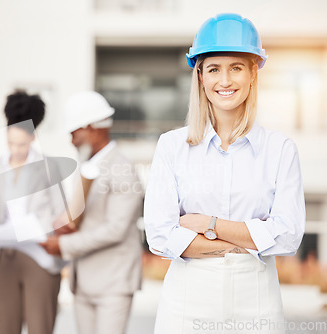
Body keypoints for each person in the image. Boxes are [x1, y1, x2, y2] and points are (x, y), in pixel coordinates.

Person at [144, 13, 305, 334]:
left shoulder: (280, 149)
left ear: (253, 74)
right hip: (186, 304)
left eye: (236, 68)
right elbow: (160, 236)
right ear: (200, 76)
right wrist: (251, 239)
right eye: (214, 69)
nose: (225, 80)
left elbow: (287, 236)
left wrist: (208, 224)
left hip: (257, 303)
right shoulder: (172, 146)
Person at [40, 91, 143, 334]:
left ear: (91, 127)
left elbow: (115, 230)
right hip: (84, 280)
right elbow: (82, 219)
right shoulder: (87, 165)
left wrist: (64, 246)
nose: (71, 140)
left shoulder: (122, 168)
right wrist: (66, 224)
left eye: (74, 133)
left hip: (113, 282)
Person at [0, 91, 65, 334]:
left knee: (40, 326)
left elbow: (61, 213)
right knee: (4, 327)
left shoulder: (50, 167)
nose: (16, 150)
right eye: (11, 143)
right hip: (4, 257)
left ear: (33, 137)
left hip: (39, 255)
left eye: (22, 144)